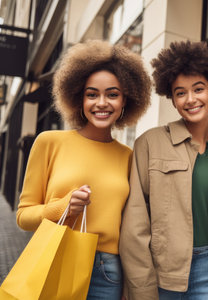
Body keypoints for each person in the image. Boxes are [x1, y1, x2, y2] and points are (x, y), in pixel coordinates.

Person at [16, 40, 152, 300]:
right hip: (56, 256)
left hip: (108, 271)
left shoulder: (129, 157)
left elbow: (131, 225)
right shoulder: (49, 142)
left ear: (126, 100)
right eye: (92, 94)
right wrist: (63, 206)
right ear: (79, 98)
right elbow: (23, 217)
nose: (102, 103)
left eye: (112, 94)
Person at [118, 40, 208, 300]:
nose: (191, 99)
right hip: (161, 272)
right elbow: (135, 225)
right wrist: (141, 287)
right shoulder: (149, 143)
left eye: (199, 89)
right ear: (172, 99)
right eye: (180, 92)